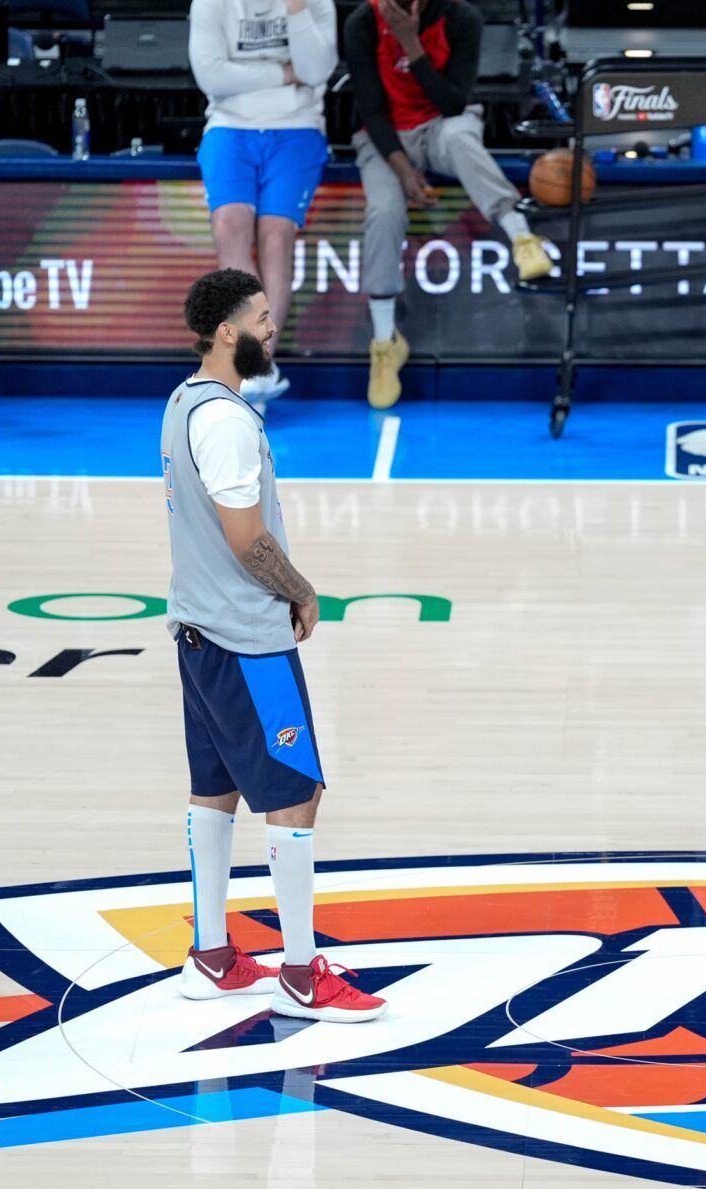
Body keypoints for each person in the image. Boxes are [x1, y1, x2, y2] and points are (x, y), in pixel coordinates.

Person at [165, 268, 387, 1023]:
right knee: (296, 795)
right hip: (245, 638)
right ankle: (300, 972)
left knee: (215, 789)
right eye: (261, 318)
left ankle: (212, 954)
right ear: (227, 331)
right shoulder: (225, 422)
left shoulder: (183, 399)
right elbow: (245, 537)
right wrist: (299, 589)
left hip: (195, 629)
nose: (272, 328)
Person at [346, 0, 552, 409]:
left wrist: (411, 44)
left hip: (441, 125)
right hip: (385, 139)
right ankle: (385, 343)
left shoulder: (462, 18)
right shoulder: (362, 23)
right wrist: (404, 171)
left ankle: (522, 237)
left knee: (461, 136)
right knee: (384, 211)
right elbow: (370, 109)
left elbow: (453, 102)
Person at [189, 0, 339, 412]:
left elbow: (317, 71)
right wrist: (281, 73)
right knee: (229, 227)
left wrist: (295, 12)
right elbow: (211, 76)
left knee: (276, 237)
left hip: (297, 129)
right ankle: (251, 363)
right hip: (229, 127)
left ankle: (258, 365)